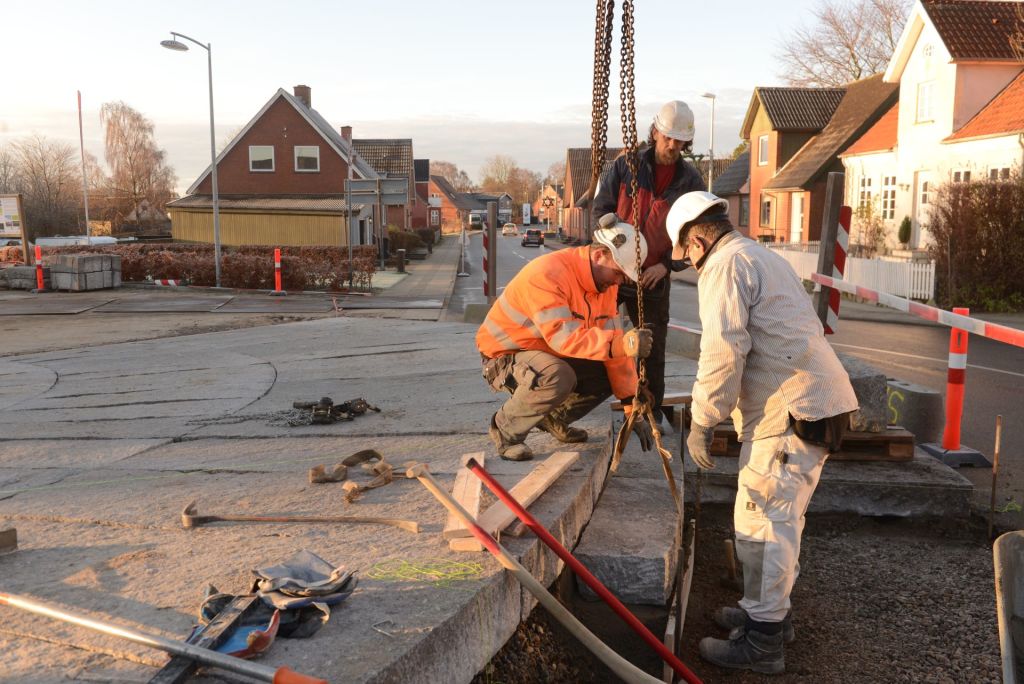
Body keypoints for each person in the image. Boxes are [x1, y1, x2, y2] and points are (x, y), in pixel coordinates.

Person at [666, 191, 858, 674]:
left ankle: (763, 642)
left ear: (696, 240)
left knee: (765, 524)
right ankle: (768, 614)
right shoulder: (758, 255)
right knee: (775, 520)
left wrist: (703, 421)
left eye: (686, 255)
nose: (689, 264)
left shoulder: (725, 266)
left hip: (791, 412)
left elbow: (722, 351)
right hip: (812, 403)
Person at [476, 219, 654, 461]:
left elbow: (614, 350)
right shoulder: (548, 274)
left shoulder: (604, 287)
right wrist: (621, 344)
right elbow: (563, 338)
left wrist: (632, 407)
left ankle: (554, 419)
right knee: (558, 376)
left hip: (546, 353)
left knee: (606, 367)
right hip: (504, 356)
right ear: (599, 255)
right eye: (618, 273)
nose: (619, 281)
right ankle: (505, 430)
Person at [593, 100, 706, 429]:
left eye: (679, 141)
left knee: (653, 351)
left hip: (654, 276)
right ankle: (587, 403)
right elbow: (600, 211)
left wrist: (667, 267)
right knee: (598, 336)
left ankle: (651, 412)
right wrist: (613, 255)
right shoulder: (625, 166)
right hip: (616, 271)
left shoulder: (690, 181)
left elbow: (697, 234)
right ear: (655, 132)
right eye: (667, 137)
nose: (672, 145)